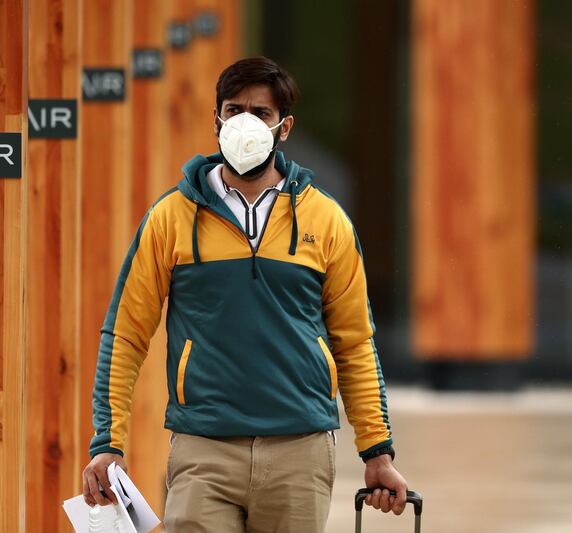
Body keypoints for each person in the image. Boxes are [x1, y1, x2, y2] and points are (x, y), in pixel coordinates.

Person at [82, 56, 408, 532]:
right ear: (216, 118)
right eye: (234, 110)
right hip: (203, 449)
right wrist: (107, 442)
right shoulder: (171, 218)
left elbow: (355, 342)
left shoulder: (326, 220)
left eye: (261, 113)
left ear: (285, 126)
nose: (245, 123)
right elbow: (126, 334)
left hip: (301, 451)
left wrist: (377, 452)